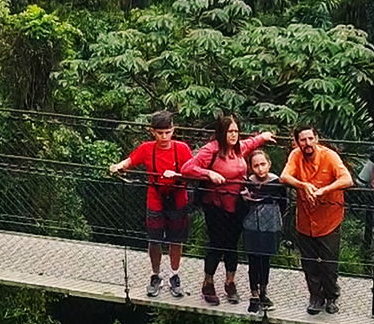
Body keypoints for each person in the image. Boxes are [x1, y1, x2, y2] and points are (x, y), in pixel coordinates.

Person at [182, 115, 275, 305]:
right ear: (221, 133)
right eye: (229, 131)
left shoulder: (238, 148)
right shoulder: (211, 150)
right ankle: (208, 283)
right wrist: (209, 173)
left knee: (232, 244)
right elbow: (187, 168)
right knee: (217, 244)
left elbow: (250, 143)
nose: (234, 135)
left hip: (238, 205)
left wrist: (263, 137)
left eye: (236, 131)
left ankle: (230, 282)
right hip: (216, 205)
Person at [109, 110, 194, 299]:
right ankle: (156, 275)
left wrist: (177, 175)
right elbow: (131, 161)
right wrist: (119, 166)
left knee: (176, 240)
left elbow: (193, 172)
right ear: (152, 131)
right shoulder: (147, 149)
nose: (164, 137)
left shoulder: (182, 149)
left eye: (168, 132)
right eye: (160, 133)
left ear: (173, 130)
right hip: (155, 199)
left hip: (178, 198)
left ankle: (174, 274)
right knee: (154, 240)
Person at [280, 124, 352, 314]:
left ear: (317, 139)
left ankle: (332, 296)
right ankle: (316, 297)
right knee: (309, 262)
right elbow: (284, 177)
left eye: (310, 138)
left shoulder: (330, 156)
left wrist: (325, 190)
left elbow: (347, 180)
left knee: (329, 262)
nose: (307, 143)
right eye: (303, 140)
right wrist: (303, 186)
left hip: (329, 218)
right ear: (297, 142)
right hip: (305, 218)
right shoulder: (296, 155)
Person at [239, 148, 290, 312]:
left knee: (265, 259)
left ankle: (263, 291)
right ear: (251, 167)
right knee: (253, 259)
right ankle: (254, 293)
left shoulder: (277, 183)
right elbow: (241, 208)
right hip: (252, 225)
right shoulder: (248, 182)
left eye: (263, 164)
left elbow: (284, 204)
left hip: (271, 225)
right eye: (256, 166)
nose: (260, 169)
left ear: (269, 164)